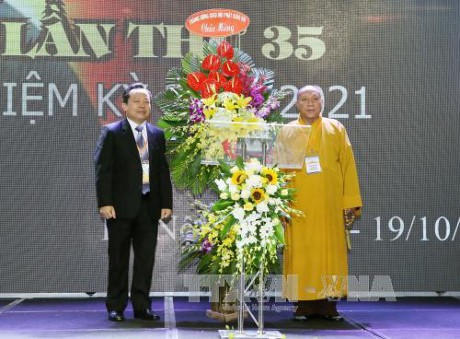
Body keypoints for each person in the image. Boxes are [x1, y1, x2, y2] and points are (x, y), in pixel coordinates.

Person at [282, 85, 362, 321]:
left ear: (323, 103)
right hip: (298, 206)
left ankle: (329, 304)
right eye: (304, 99)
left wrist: (350, 202)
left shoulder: (336, 128)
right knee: (302, 252)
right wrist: (280, 205)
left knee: (330, 253)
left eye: (314, 99)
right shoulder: (287, 131)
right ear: (296, 104)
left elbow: (348, 167)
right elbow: (279, 170)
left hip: (330, 204)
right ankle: (303, 304)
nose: (309, 103)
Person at [94, 83, 173, 322]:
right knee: (118, 259)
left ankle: (142, 306)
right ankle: (115, 306)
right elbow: (103, 170)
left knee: (145, 260)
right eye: (137, 101)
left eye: (146, 102)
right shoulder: (112, 132)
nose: (142, 106)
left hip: (148, 207)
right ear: (124, 105)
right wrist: (105, 202)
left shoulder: (157, 134)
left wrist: (166, 203)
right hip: (119, 207)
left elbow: (162, 172)